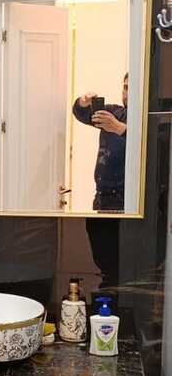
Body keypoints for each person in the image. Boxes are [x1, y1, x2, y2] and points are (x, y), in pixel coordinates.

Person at [71, 74, 127, 289]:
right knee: (105, 262)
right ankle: (108, 292)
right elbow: (82, 114)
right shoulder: (114, 112)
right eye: (125, 87)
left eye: (132, 88)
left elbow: (152, 144)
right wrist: (83, 102)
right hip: (103, 199)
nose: (127, 93)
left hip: (130, 202)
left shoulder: (148, 120)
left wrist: (120, 129)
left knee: (126, 266)